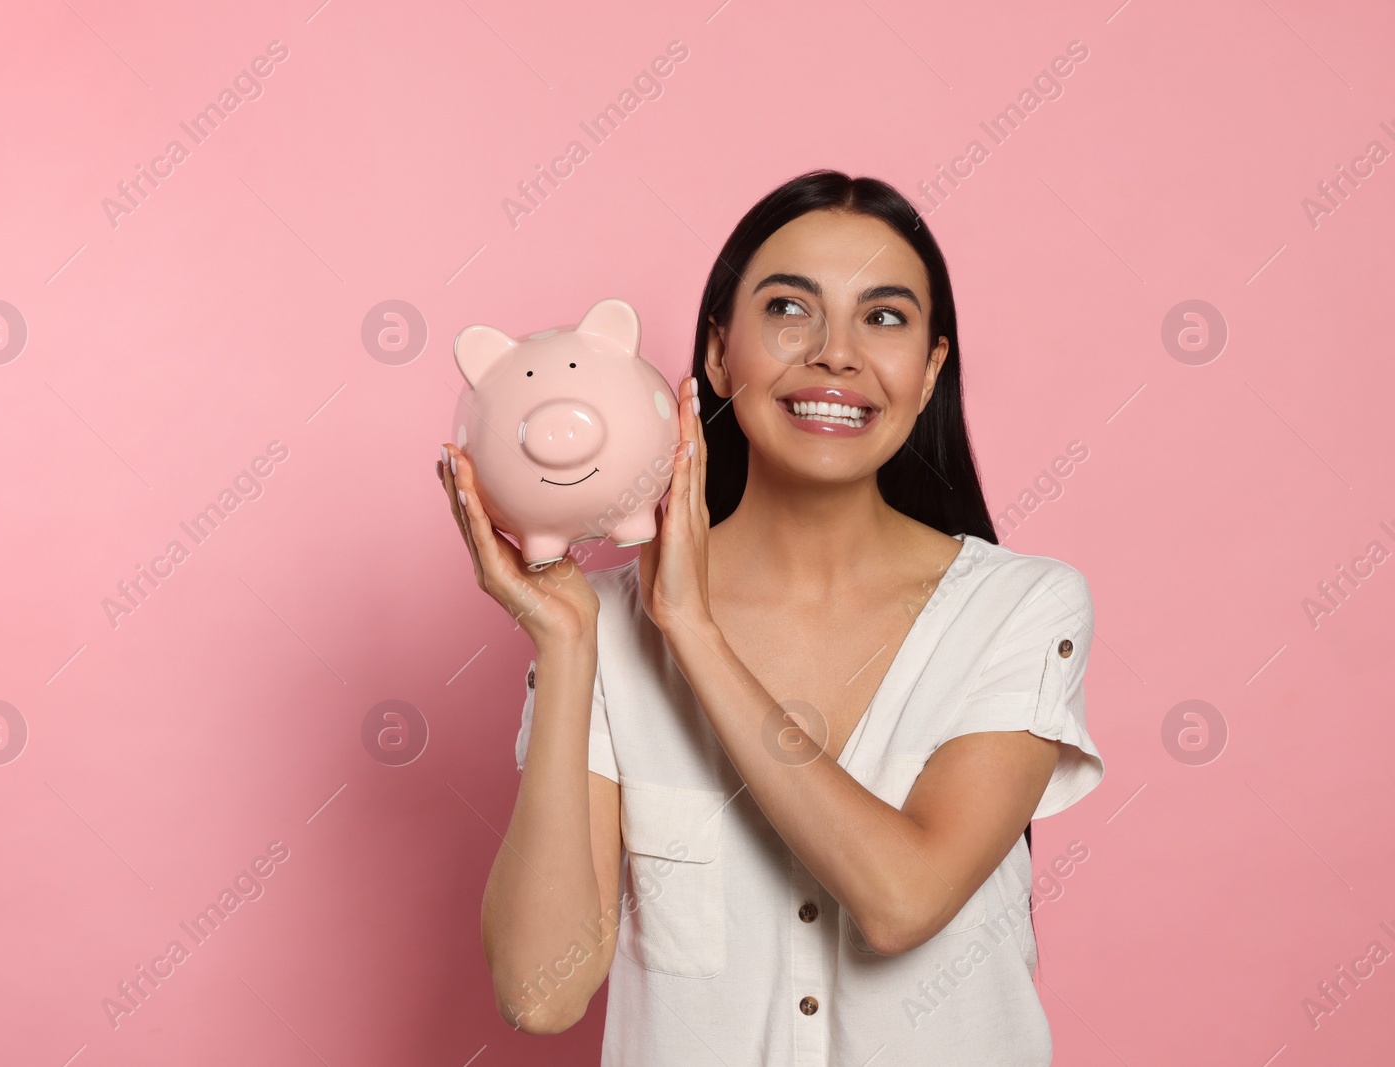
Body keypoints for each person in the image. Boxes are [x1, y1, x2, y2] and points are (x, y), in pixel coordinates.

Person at [437, 169, 1103, 1065]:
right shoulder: (600, 632)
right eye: (791, 308)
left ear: (932, 368)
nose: (836, 353)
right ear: (719, 352)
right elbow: (540, 994)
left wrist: (694, 633)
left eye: (885, 316)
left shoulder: (1020, 608)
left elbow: (901, 898)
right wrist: (566, 645)